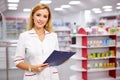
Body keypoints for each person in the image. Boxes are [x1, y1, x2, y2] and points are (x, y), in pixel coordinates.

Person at [14, 3, 60, 80]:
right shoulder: (24, 36)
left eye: (45, 16)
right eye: (38, 15)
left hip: (52, 76)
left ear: (48, 19)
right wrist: (32, 68)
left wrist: (63, 58)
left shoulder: (53, 36)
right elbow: (17, 61)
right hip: (33, 76)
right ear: (32, 16)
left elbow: (56, 57)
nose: (41, 19)